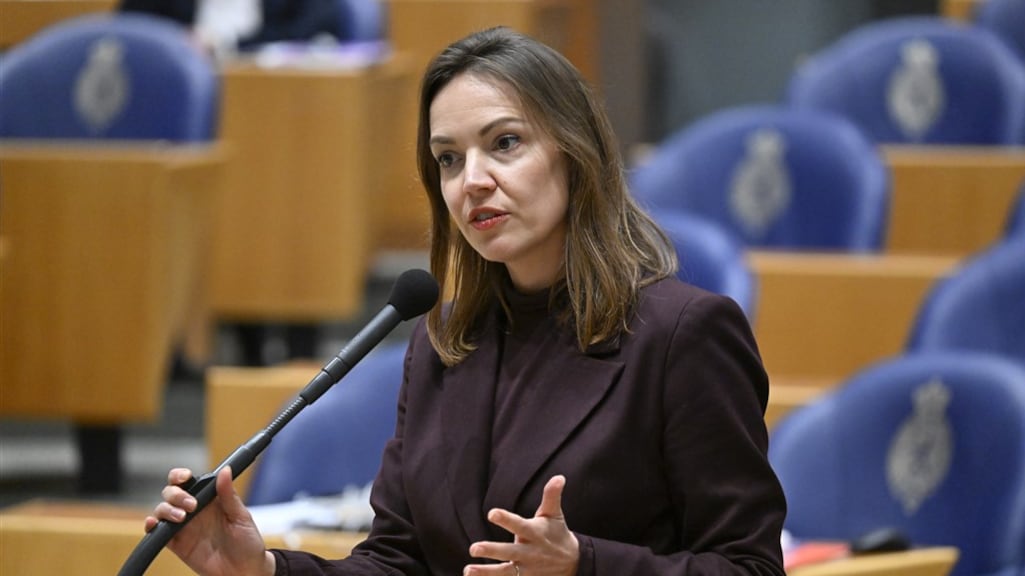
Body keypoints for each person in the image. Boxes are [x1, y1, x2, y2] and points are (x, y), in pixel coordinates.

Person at [146, 26, 788, 576]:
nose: (472, 181)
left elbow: (749, 565)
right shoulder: (444, 342)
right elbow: (398, 561)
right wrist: (263, 568)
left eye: (505, 143)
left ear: (575, 152)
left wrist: (585, 565)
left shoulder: (683, 336)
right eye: (449, 159)